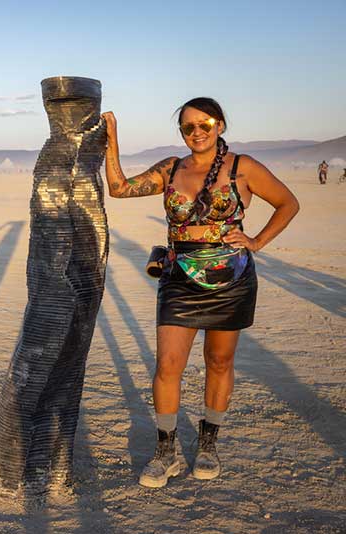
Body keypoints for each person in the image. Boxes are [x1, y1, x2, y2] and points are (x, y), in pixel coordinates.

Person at [102, 97, 299, 488]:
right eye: (188, 127)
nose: (197, 132)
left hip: (232, 277)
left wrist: (256, 241)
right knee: (167, 366)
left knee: (219, 362)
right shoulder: (171, 169)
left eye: (205, 124)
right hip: (179, 278)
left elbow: (288, 203)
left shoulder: (244, 168)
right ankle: (166, 452)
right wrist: (112, 137)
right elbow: (120, 189)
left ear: (220, 125)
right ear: (181, 133)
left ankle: (208, 444)